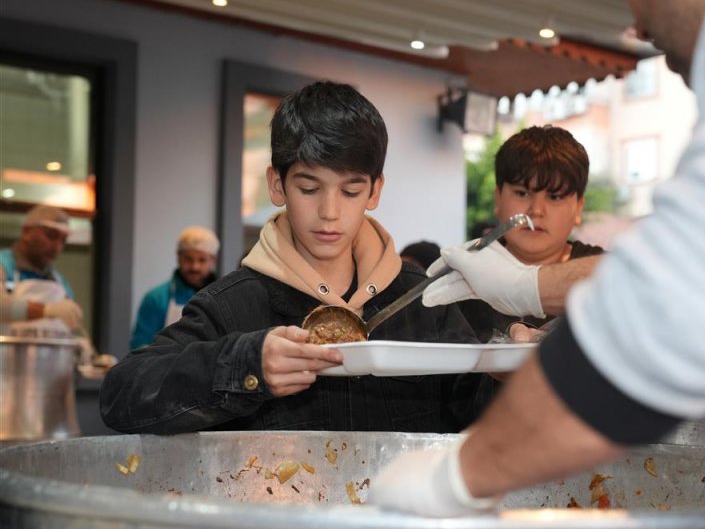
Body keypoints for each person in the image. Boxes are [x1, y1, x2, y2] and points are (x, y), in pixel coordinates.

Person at [369, 0, 705, 529]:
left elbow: (667, 310)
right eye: (521, 193)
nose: (636, 18)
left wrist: (454, 478)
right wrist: (529, 288)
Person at [101, 81, 491, 435]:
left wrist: (514, 364)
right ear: (277, 184)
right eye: (309, 188)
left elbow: (483, 411)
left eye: (351, 192)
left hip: (396, 513)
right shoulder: (232, 306)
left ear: (375, 191)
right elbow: (121, 395)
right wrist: (247, 365)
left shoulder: (422, 302)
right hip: (278, 512)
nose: (330, 212)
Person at [449, 126, 604, 342]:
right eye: (522, 193)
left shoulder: (608, 272)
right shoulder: (461, 277)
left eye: (555, 196)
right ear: (498, 199)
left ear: (578, 207)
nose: (536, 211)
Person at [130, 226, 219, 349]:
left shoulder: (222, 299)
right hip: (164, 367)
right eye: (188, 259)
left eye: (202, 260)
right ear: (178, 258)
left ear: (213, 261)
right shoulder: (155, 299)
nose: (195, 267)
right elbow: (139, 348)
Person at [0, 205, 83, 334]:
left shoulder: (59, 282)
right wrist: (46, 310)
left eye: (63, 240)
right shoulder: (3, 264)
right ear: (26, 232)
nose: (57, 247)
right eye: (51, 236)